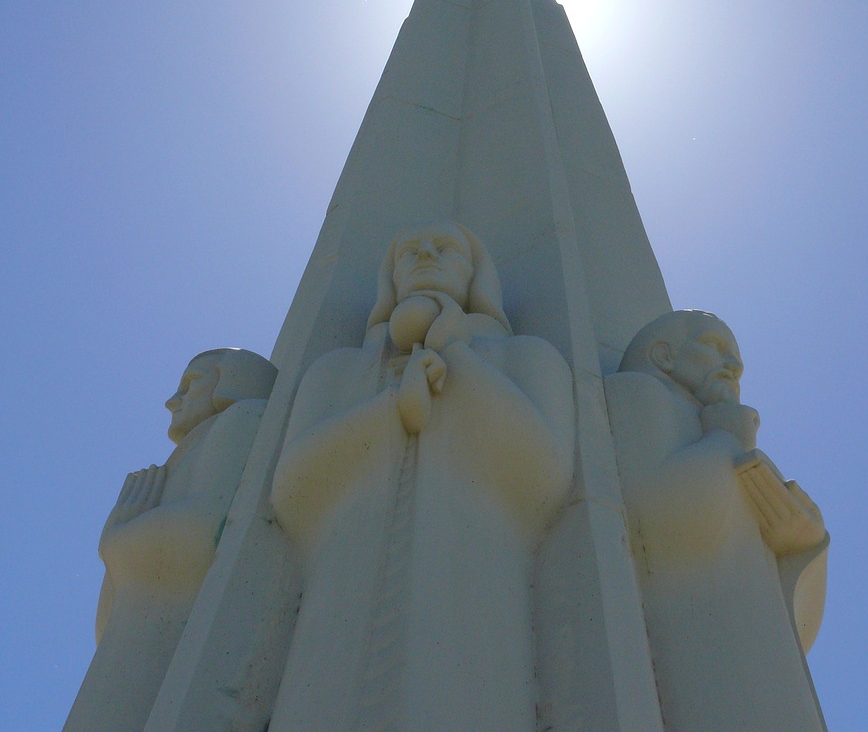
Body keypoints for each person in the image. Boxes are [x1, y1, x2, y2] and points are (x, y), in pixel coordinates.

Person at [270, 222, 575, 732]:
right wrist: (391, 409)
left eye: (445, 249)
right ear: (389, 279)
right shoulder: (337, 370)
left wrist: (457, 355)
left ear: (477, 274)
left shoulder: (527, 357)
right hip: (341, 589)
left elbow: (544, 473)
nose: (426, 255)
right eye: (409, 252)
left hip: (477, 581)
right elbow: (292, 490)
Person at [605, 310, 828, 732]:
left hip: (758, 638)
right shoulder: (638, 394)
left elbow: (798, 628)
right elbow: (659, 521)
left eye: (737, 359)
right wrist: (726, 438)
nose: (734, 367)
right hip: (698, 638)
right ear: (664, 355)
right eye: (715, 347)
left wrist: (805, 543)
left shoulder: (724, 434)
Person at [64, 348, 277, 732]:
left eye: (190, 383)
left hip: (170, 646)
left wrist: (117, 539)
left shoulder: (244, 418)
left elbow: (200, 532)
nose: (172, 400)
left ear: (231, 381)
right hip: (134, 641)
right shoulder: (193, 449)